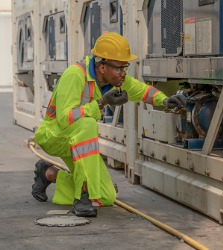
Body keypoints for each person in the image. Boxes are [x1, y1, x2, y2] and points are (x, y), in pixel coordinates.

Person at [31, 32, 187, 217]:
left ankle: (49, 173)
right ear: (102, 66)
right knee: (88, 124)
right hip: (54, 136)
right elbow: (66, 118)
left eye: (125, 67)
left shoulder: (117, 79)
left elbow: (141, 91)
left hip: (78, 140)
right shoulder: (75, 75)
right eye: (120, 68)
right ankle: (82, 196)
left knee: (105, 197)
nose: (124, 73)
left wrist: (165, 100)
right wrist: (101, 103)